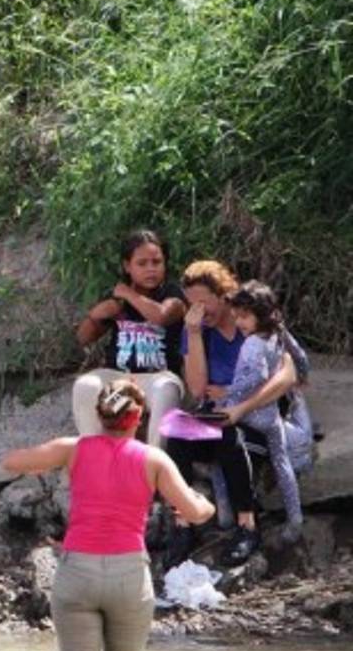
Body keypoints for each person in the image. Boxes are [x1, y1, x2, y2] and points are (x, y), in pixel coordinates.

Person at [3, 378, 214, 651]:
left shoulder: (74, 449)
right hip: (129, 577)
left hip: (77, 574)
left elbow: (11, 462)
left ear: (99, 413)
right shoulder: (154, 459)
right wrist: (204, 502)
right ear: (139, 417)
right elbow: (195, 513)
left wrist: (45, 462)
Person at [165, 261, 300, 566]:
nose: (197, 309)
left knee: (230, 435)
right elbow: (198, 389)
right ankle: (182, 524)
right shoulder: (195, 329)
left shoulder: (251, 318)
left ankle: (247, 524)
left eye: (203, 301)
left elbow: (287, 374)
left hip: (254, 416)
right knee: (176, 438)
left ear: (223, 295)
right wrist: (195, 333)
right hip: (218, 413)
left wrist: (240, 405)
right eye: (191, 303)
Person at [73, 229, 186, 449]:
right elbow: (83, 338)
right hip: (118, 377)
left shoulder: (173, 295)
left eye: (157, 262)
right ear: (127, 266)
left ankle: (151, 466)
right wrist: (95, 315)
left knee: (167, 391)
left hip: (157, 377)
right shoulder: (116, 299)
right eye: (142, 263)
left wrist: (128, 294)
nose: (151, 269)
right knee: (85, 385)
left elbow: (160, 317)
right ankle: (98, 456)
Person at [219, 280, 305, 542]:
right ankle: (295, 519)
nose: (239, 323)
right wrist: (303, 374)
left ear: (261, 314)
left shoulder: (252, 344)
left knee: (219, 446)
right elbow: (300, 357)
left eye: (244, 317)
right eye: (236, 317)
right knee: (282, 464)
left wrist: (228, 396)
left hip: (252, 416)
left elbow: (258, 374)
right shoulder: (277, 333)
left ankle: (230, 516)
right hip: (271, 416)